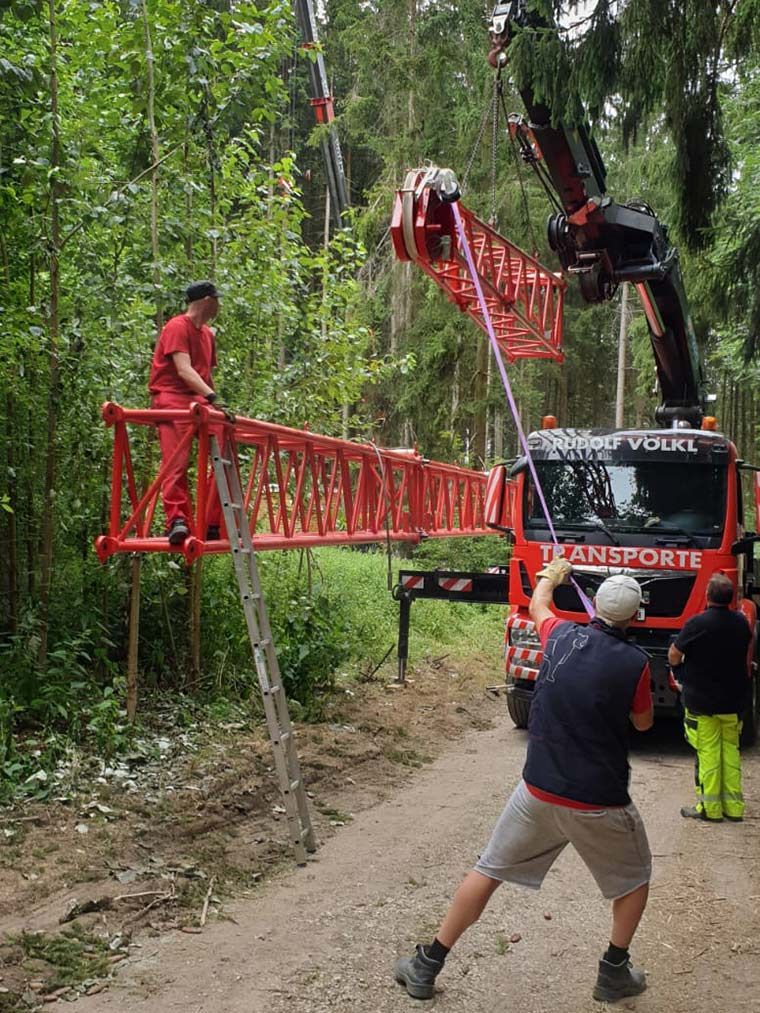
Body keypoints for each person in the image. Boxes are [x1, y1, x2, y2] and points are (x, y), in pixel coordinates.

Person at [395, 561, 654, 1004]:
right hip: (598, 801)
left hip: (536, 790)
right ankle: (613, 971)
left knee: (488, 870)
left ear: (595, 608)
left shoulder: (560, 634)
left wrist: (552, 575)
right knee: (635, 880)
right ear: (635, 616)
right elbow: (644, 724)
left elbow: (538, 604)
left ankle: (426, 963)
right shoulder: (635, 663)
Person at [668, 572, 751, 823]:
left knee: (708, 753)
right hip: (734, 701)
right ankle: (734, 808)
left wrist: (679, 671)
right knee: (730, 753)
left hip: (702, 701)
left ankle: (710, 809)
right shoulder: (741, 623)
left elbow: (674, 654)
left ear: (707, 596)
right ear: (730, 597)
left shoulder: (697, 624)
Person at [148, 281, 224, 545]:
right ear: (206, 301)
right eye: (216, 300)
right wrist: (211, 396)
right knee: (176, 462)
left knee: (224, 447)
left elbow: (206, 374)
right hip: (171, 399)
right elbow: (184, 369)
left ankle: (212, 520)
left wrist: (217, 405)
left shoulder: (208, 335)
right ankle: (177, 520)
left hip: (198, 400)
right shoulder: (177, 326)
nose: (219, 305)